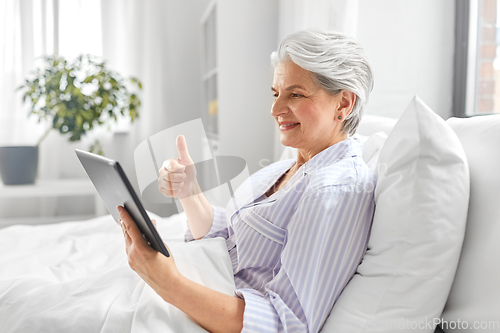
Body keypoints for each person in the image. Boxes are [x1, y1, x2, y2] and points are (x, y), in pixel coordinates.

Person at [118, 29, 375, 333]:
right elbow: (232, 240)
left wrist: (166, 281)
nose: (275, 110)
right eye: (276, 93)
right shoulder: (288, 166)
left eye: (295, 94)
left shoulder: (333, 190)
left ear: (343, 104)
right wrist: (190, 192)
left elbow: (286, 324)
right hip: (196, 288)